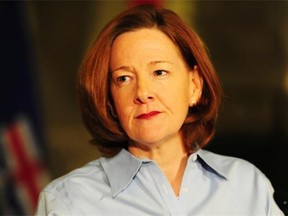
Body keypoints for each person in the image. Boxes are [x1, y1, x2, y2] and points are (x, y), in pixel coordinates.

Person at [35, 4, 284, 215]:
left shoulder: (247, 185)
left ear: (194, 86)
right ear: (109, 99)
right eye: (123, 78)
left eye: (159, 72)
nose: (143, 92)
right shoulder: (69, 201)